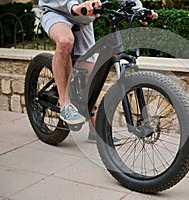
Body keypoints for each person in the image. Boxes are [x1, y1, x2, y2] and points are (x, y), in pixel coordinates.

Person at [39, 0, 158, 144]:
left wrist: (139, 10)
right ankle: (65, 104)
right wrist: (74, 6)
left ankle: (95, 130)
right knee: (65, 41)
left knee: (91, 75)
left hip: (84, 17)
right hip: (57, 11)